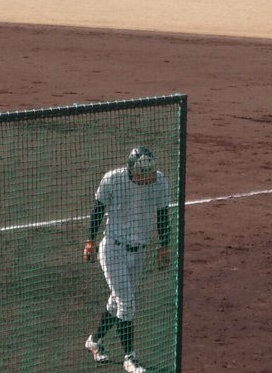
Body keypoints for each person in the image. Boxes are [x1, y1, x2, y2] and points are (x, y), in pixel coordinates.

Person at [84, 146, 170, 373]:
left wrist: (164, 246)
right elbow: (97, 211)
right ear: (131, 169)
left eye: (150, 173)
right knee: (127, 303)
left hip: (140, 251)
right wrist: (90, 241)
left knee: (117, 302)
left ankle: (94, 341)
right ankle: (130, 358)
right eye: (143, 173)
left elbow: (163, 215)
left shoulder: (159, 182)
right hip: (113, 249)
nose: (147, 178)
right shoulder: (112, 179)